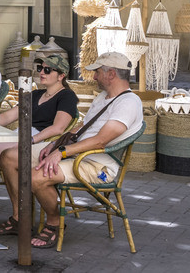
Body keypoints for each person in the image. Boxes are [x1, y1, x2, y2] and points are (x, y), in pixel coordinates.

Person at [29, 52, 142, 250]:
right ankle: (20, 217)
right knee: (13, 157)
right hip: (78, 154)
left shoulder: (129, 103)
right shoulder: (103, 97)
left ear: (111, 74)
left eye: (98, 72)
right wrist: (54, 144)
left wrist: (61, 152)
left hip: (96, 165)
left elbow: (100, 141)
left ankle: (54, 223)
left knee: (36, 177)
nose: (94, 77)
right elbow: (83, 127)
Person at [0, 52, 79, 236]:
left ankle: (18, 217)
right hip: (21, 136)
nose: (41, 72)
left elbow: (58, 128)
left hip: (41, 142)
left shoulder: (67, 96)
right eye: (40, 68)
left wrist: (31, 140)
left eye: (47, 70)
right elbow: (7, 117)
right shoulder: (35, 94)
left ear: (61, 75)